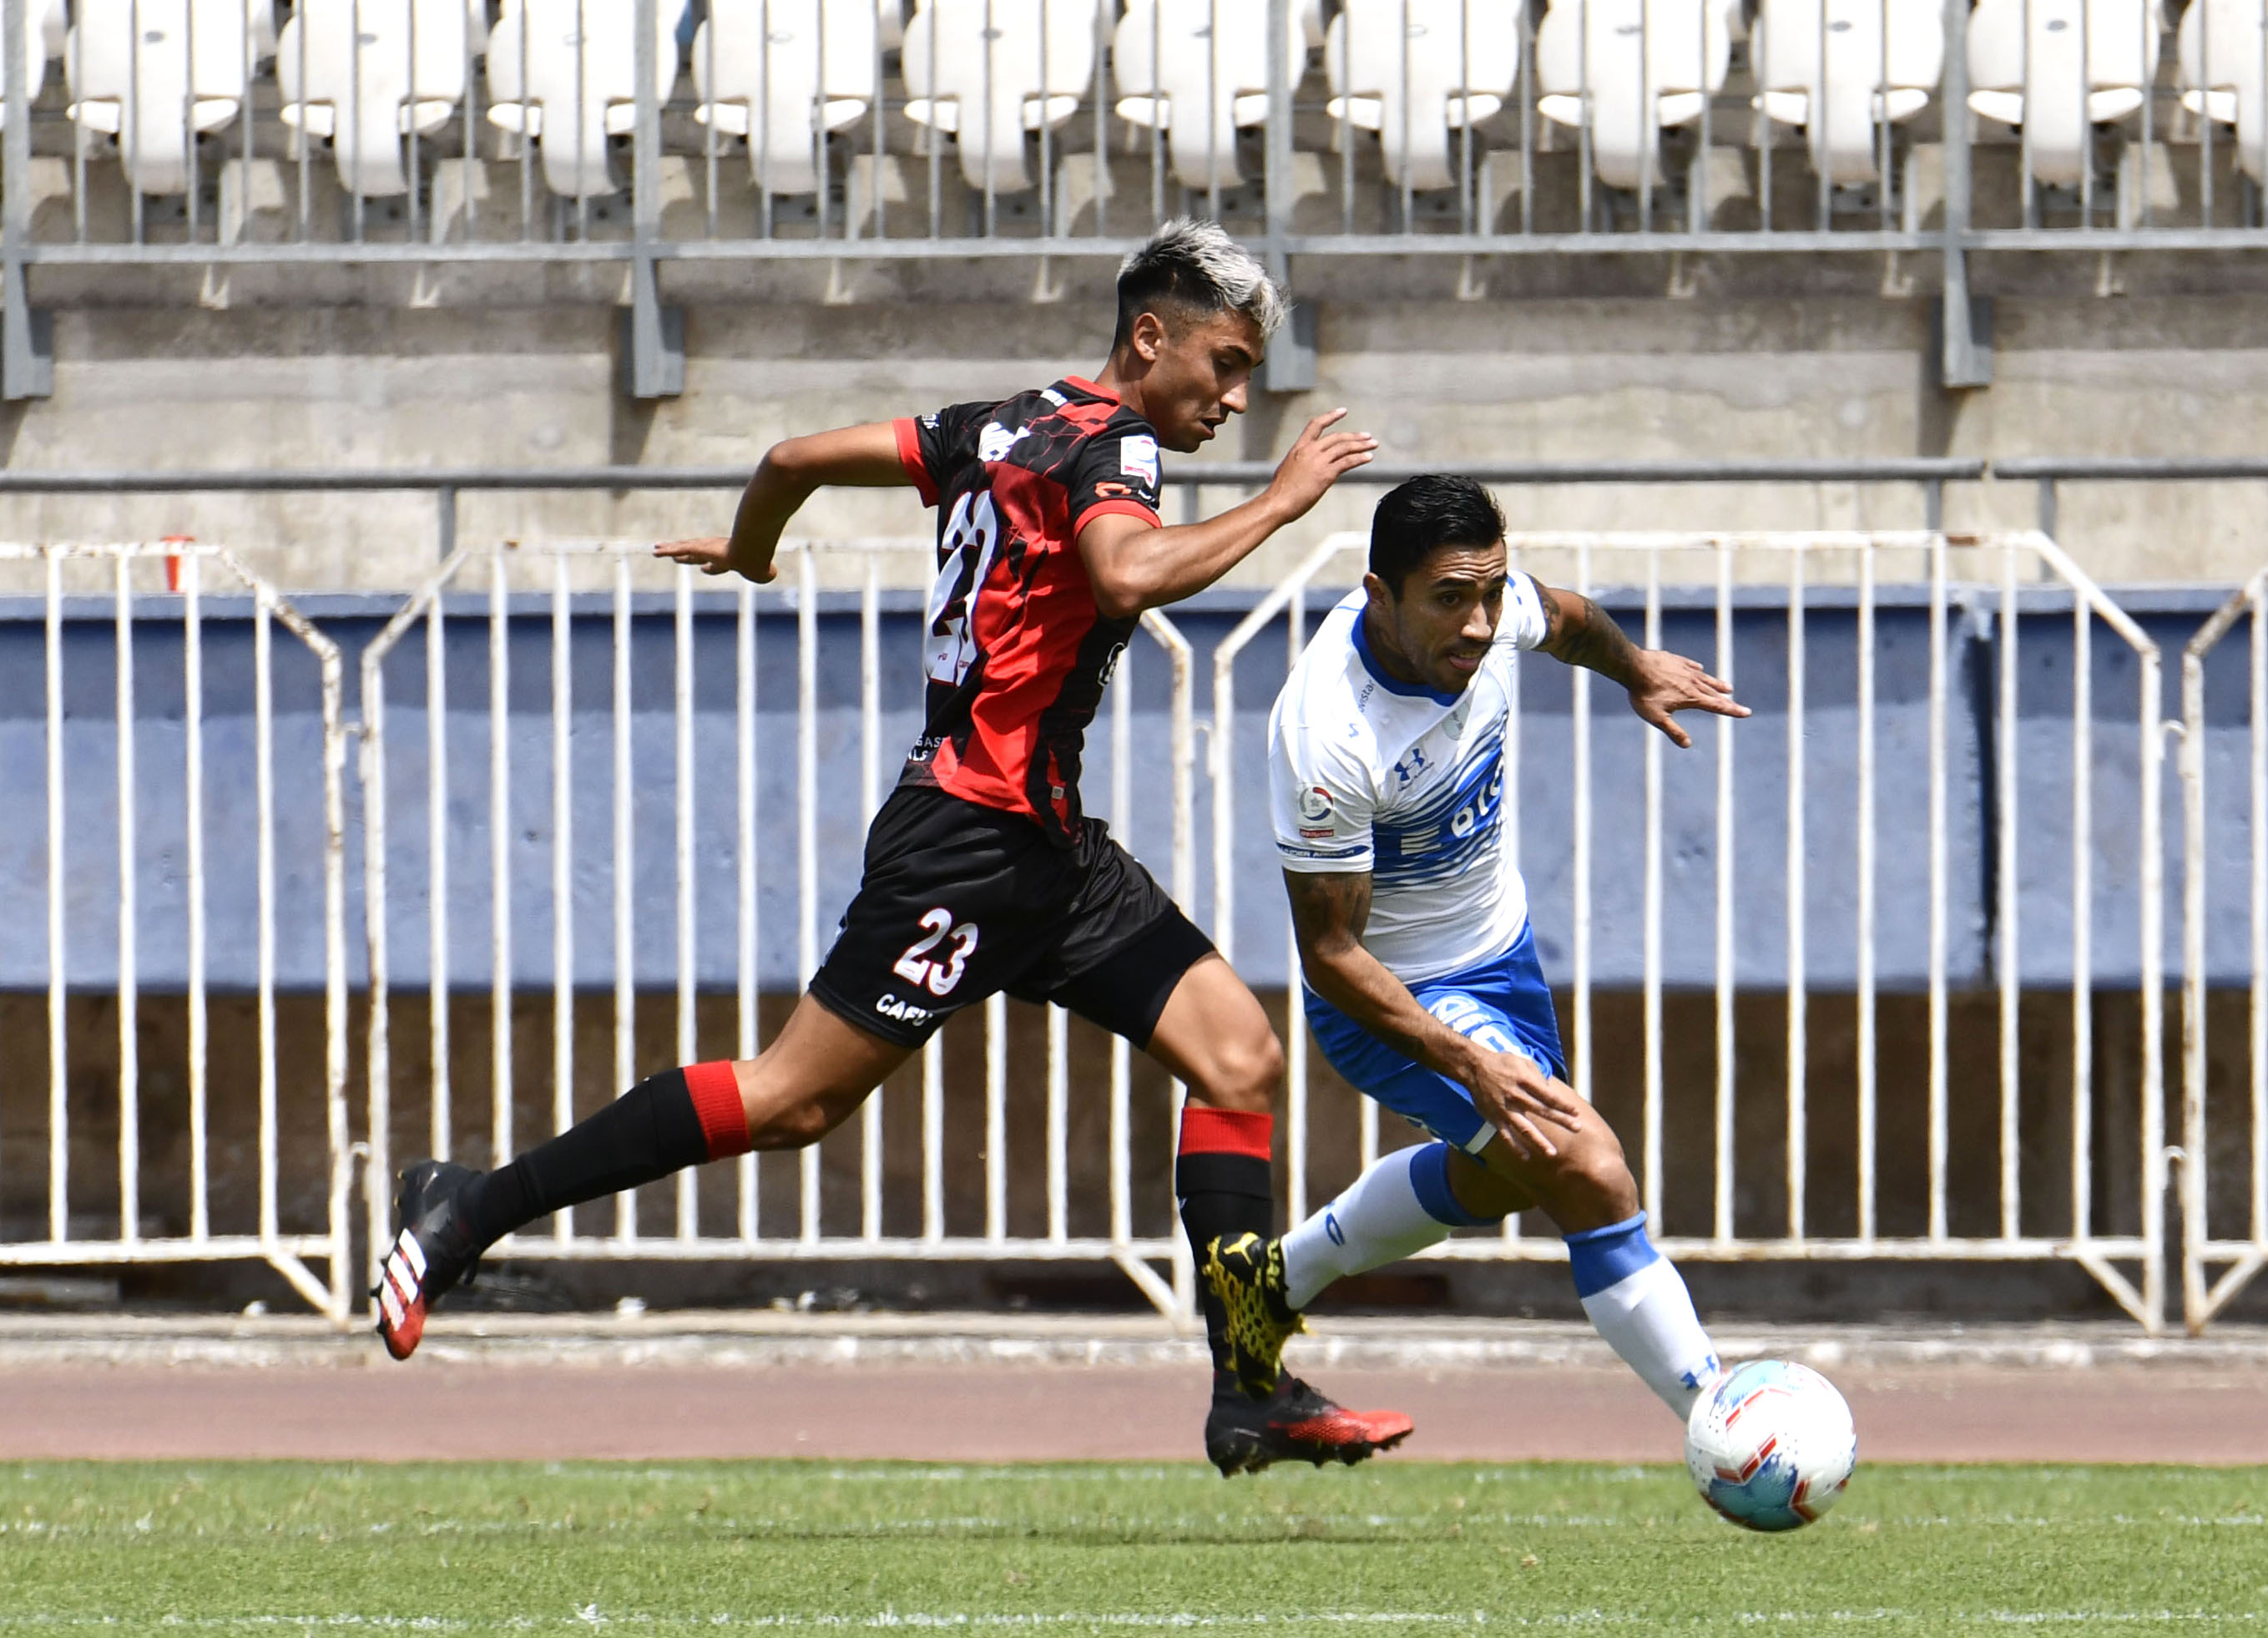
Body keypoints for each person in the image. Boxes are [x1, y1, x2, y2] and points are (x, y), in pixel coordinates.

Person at [371, 220, 1409, 1476]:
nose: (1236, 397)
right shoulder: (1113, 444)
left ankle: (1249, 1388)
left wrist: (751, 550)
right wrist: (1286, 499)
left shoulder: (994, 424)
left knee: (1236, 1054)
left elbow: (793, 455)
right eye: (1226, 362)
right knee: (789, 1099)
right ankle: (469, 1206)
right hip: (967, 842)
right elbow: (1127, 576)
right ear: (1149, 338)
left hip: (1052, 851)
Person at [1205, 474, 1750, 1424]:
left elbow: (1568, 618)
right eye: (1450, 598)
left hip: (1505, 957)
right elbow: (1331, 952)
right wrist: (1469, 1061)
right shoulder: (1328, 732)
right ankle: (1725, 1423)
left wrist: (1637, 668)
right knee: (1585, 1164)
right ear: (1380, 595)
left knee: (1501, 1176)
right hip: (1393, 995)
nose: (1479, 621)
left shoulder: (1493, 613)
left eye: (1491, 591)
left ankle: (1272, 1282)